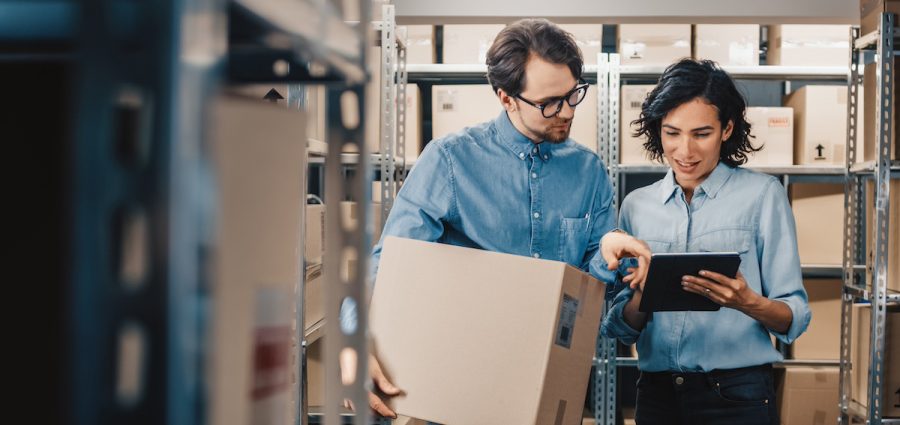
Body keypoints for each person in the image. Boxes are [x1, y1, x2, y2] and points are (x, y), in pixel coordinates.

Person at [354, 18, 652, 418]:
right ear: (506, 97)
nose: (566, 112)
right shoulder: (449, 161)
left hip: (550, 382)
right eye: (549, 103)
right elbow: (388, 264)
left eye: (573, 95)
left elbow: (587, 298)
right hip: (458, 385)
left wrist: (605, 254)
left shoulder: (590, 172)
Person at [601, 59, 811, 425]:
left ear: (726, 128)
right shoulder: (637, 206)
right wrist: (641, 295)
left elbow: (794, 317)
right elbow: (621, 327)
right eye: (672, 133)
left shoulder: (763, 196)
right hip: (657, 394)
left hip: (736, 394)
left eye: (701, 134)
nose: (685, 151)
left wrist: (748, 302)